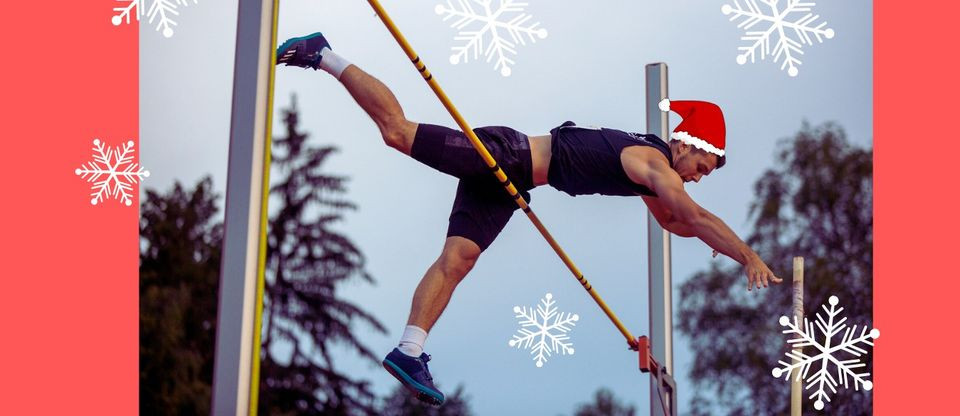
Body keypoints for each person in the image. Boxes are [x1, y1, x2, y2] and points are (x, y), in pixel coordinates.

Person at [276, 32, 783, 406]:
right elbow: (688, 213)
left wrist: (712, 239)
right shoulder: (654, 163)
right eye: (702, 166)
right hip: (507, 153)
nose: (697, 177)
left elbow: (676, 222)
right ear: (689, 143)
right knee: (397, 132)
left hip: (513, 182)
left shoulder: (653, 175)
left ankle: (410, 350)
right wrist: (745, 254)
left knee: (459, 259)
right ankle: (325, 55)